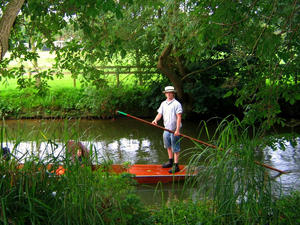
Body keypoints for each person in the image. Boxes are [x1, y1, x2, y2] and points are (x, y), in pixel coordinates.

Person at [152, 86, 183, 173]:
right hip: (166, 129)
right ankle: (170, 161)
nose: (169, 94)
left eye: (170, 93)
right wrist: (155, 120)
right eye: (167, 93)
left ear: (173, 93)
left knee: (175, 148)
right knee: (168, 146)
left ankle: (176, 166)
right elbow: (159, 114)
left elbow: (179, 117)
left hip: (174, 130)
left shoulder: (177, 104)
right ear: (165, 94)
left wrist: (177, 130)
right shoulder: (163, 104)